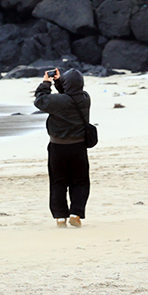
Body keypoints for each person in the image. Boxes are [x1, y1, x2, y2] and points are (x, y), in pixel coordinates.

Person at [34, 68, 91, 227]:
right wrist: (59, 83)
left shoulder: (56, 102)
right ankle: (76, 213)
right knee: (80, 182)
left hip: (57, 147)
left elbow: (40, 101)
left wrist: (47, 83)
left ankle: (60, 217)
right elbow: (69, 96)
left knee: (58, 182)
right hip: (79, 147)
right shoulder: (85, 99)